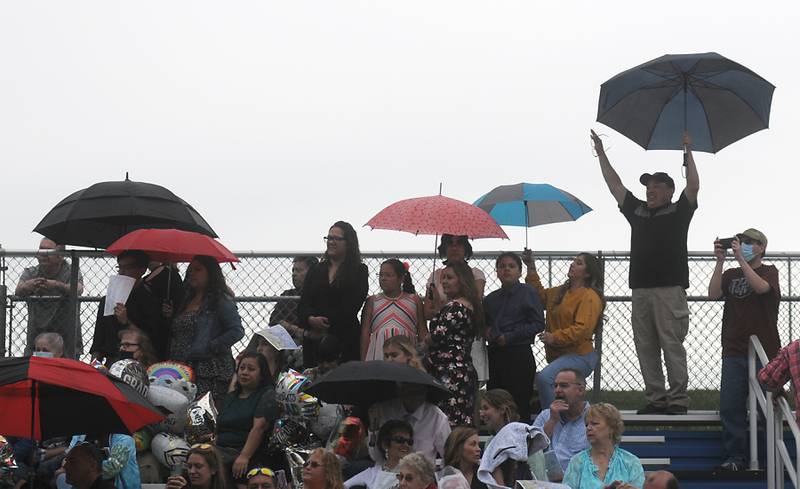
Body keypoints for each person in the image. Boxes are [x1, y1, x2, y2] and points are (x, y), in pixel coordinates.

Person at [591, 129, 699, 415]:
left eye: (657, 185)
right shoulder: (636, 210)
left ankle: (677, 399)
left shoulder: (679, 211)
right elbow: (614, 185)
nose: (650, 189)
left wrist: (688, 151)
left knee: (671, 344)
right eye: (648, 185)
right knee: (646, 345)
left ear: (669, 191)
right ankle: (656, 398)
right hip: (639, 289)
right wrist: (601, 152)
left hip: (670, 289)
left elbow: (694, 187)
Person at [708, 228, 779, 471]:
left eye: (750, 242)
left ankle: (769, 458)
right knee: (731, 407)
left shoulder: (769, 271)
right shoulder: (730, 274)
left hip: (764, 351)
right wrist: (720, 262)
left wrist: (740, 259)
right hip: (734, 350)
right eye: (742, 242)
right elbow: (713, 293)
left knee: (766, 407)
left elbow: (761, 288)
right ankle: (734, 458)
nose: (745, 245)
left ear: (761, 247)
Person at [523, 250, 604, 410]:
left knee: (545, 378)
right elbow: (537, 296)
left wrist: (555, 337)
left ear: (587, 274)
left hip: (580, 356)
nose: (573, 264)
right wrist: (531, 266)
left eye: (579, 263)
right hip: (560, 356)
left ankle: (553, 422)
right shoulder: (560, 292)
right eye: (574, 260)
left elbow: (582, 330)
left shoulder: (589, 296)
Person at [169, 255, 245, 403]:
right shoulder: (186, 300)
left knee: (202, 414)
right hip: (182, 368)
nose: (192, 273)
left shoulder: (220, 300)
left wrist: (211, 346)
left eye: (198, 269)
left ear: (211, 273)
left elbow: (236, 331)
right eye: (190, 270)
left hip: (208, 371)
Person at [299, 221, 369, 366]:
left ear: (348, 243)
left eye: (337, 238)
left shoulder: (359, 271)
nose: (331, 242)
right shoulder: (316, 269)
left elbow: (352, 305)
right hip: (314, 341)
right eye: (329, 238)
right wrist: (311, 319)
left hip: (344, 340)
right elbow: (303, 303)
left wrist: (325, 323)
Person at [484, 252, 545, 421]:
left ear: (519, 271)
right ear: (496, 272)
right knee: (495, 401)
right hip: (495, 354)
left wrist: (511, 336)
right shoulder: (490, 299)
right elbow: (485, 323)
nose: (506, 270)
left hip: (519, 354)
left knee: (519, 403)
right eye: (502, 266)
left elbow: (538, 323)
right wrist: (488, 331)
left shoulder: (528, 293)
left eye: (511, 266)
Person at [426, 261, 482, 426]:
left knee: (446, 424)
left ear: (462, 280)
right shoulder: (468, 305)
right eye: (443, 277)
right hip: (461, 370)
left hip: (449, 373)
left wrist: (426, 339)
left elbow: (436, 337)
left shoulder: (456, 307)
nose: (444, 281)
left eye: (449, 277)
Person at [216, 352, 280, 488]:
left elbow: (259, 428)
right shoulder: (232, 396)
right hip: (221, 450)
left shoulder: (267, 394)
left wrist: (244, 456)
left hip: (245, 454)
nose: (244, 372)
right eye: (242, 368)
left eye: (251, 369)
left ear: (262, 374)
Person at [90, 250, 163, 364]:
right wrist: (94, 366)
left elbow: (152, 340)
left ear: (142, 270)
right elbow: (98, 341)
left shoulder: (150, 299)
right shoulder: (109, 299)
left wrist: (126, 322)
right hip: (112, 360)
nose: (122, 272)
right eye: (120, 268)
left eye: (128, 267)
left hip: (139, 361)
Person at [16, 238, 84, 358]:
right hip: (37, 334)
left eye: (48, 251)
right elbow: (18, 290)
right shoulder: (31, 272)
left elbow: (78, 289)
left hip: (66, 336)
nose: (43, 254)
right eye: (41, 249)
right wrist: (30, 285)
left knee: (67, 372)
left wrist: (56, 285)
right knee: (35, 369)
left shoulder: (70, 271)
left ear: (60, 256)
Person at [562, 403, 644, 489]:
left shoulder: (631, 462)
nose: (588, 428)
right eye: (586, 425)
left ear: (612, 428)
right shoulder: (577, 462)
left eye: (594, 423)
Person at [368, 383, 450, 464]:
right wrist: (373, 426)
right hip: (386, 472)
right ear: (400, 391)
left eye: (419, 391)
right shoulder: (384, 411)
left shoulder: (437, 418)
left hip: (421, 474)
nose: (415, 397)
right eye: (410, 391)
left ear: (425, 391)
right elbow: (375, 456)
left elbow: (449, 456)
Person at [361, 259, 426, 361]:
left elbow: (422, 331)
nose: (383, 278)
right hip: (378, 355)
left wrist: (423, 358)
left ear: (401, 278)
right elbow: (365, 333)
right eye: (381, 275)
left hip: (407, 357)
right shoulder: (373, 301)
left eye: (388, 275)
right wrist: (363, 360)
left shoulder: (414, 300)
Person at [532, 368, 591, 476]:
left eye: (564, 386)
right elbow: (531, 449)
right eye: (555, 386)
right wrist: (552, 421)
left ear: (581, 390)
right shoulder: (546, 416)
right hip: (543, 481)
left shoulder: (595, 419)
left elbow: (601, 460)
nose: (557, 390)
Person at [424, 234, 486, 319]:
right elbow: (427, 313)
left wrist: (438, 303)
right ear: (444, 248)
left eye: (459, 244)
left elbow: (474, 307)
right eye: (450, 244)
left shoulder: (476, 274)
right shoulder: (435, 275)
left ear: (465, 248)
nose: (454, 248)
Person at [345, 420, 413, 489]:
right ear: (385, 445)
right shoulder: (372, 473)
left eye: (410, 442)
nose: (406, 445)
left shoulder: (414, 476)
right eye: (400, 440)